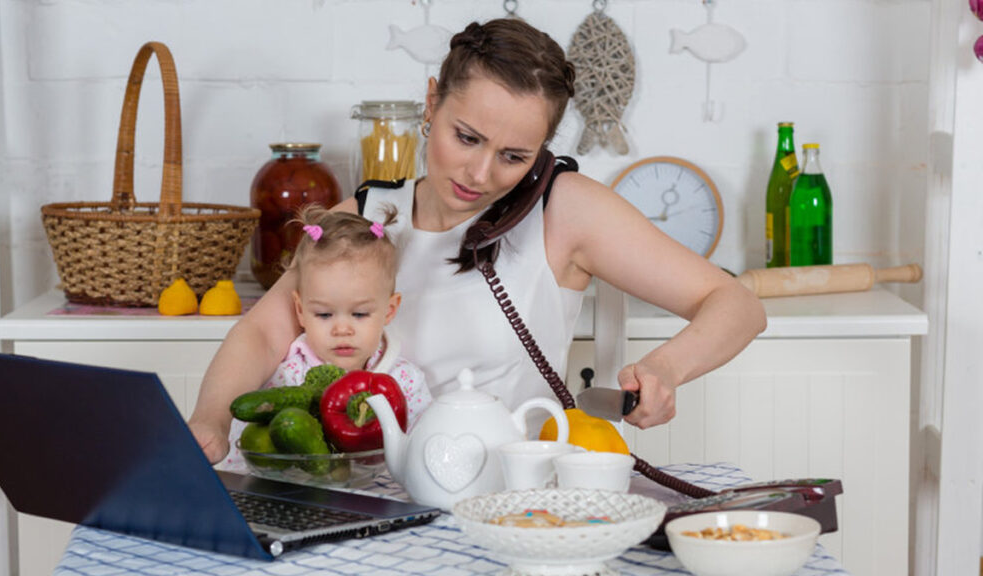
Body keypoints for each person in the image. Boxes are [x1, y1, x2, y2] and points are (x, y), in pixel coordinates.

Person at [189, 18, 766, 466]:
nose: (480, 174)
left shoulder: (564, 209)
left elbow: (736, 305)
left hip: (507, 499)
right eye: (465, 137)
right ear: (432, 103)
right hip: (373, 491)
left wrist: (667, 366)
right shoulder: (367, 216)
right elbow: (264, 329)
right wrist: (211, 420)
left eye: (514, 156)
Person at [220, 205, 432, 471]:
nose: (341, 329)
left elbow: (424, 451)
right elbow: (244, 456)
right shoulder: (286, 377)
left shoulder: (407, 381)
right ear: (300, 310)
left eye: (359, 314)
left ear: (389, 310)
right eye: (323, 314)